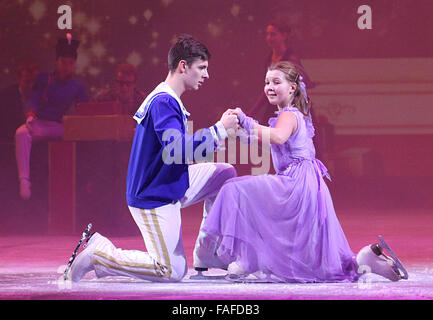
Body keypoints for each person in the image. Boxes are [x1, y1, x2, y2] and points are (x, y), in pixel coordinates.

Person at [201, 61, 407, 283]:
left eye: (276, 82)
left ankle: (237, 256)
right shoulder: (289, 115)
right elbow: (267, 139)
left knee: (235, 188)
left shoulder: (289, 115)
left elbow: (278, 136)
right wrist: (238, 133)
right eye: (267, 82)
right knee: (307, 251)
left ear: (292, 88)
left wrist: (247, 120)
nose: (269, 86)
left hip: (296, 183)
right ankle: (366, 260)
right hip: (303, 182)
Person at [66, 34, 239, 283]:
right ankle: (100, 255)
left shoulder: (168, 99)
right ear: (183, 66)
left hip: (168, 180)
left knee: (224, 174)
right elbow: (177, 150)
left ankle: (207, 251)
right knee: (171, 270)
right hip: (153, 194)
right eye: (201, 68)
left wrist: (226, 132)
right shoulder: (163, 101)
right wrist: (219, 130)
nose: (206, 75)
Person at [14, 34, 88, 200]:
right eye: (63, 62)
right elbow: (33, 98)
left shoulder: (77, 87)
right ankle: (24, 180)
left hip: (59, 127)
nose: (66, 67)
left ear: (74, 65)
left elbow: (84, 108)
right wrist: (31, 114)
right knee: (21, 133)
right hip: (39, 124)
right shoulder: (43, 79)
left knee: (74, 135)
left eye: (70, 63)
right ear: (57, 62)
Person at [0, 62, 39, 143]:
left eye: (34, 82)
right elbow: (8, 126)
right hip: (10, 142)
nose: (31, 86)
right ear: (18, 80)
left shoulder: (43, 96)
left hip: (36, 141)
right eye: (27, 82)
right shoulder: (6, 96)